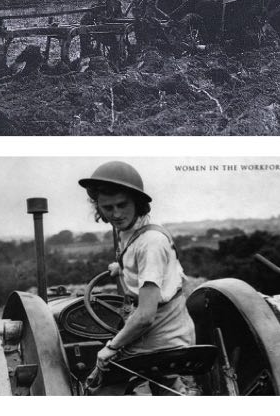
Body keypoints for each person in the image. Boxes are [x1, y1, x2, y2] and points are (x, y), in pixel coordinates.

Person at [78, 161, 196, 395]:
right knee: (165, 387)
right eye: (107, 207)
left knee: (100, 383)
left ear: (137, 202)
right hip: (170, 331)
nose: (116, 214)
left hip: (161, 337)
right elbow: (155, 271)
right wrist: (121, 268)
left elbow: (144, 316)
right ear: (98, 207)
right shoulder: (134, 231)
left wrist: (111, 347)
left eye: (122, 205)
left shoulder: (150, 243)